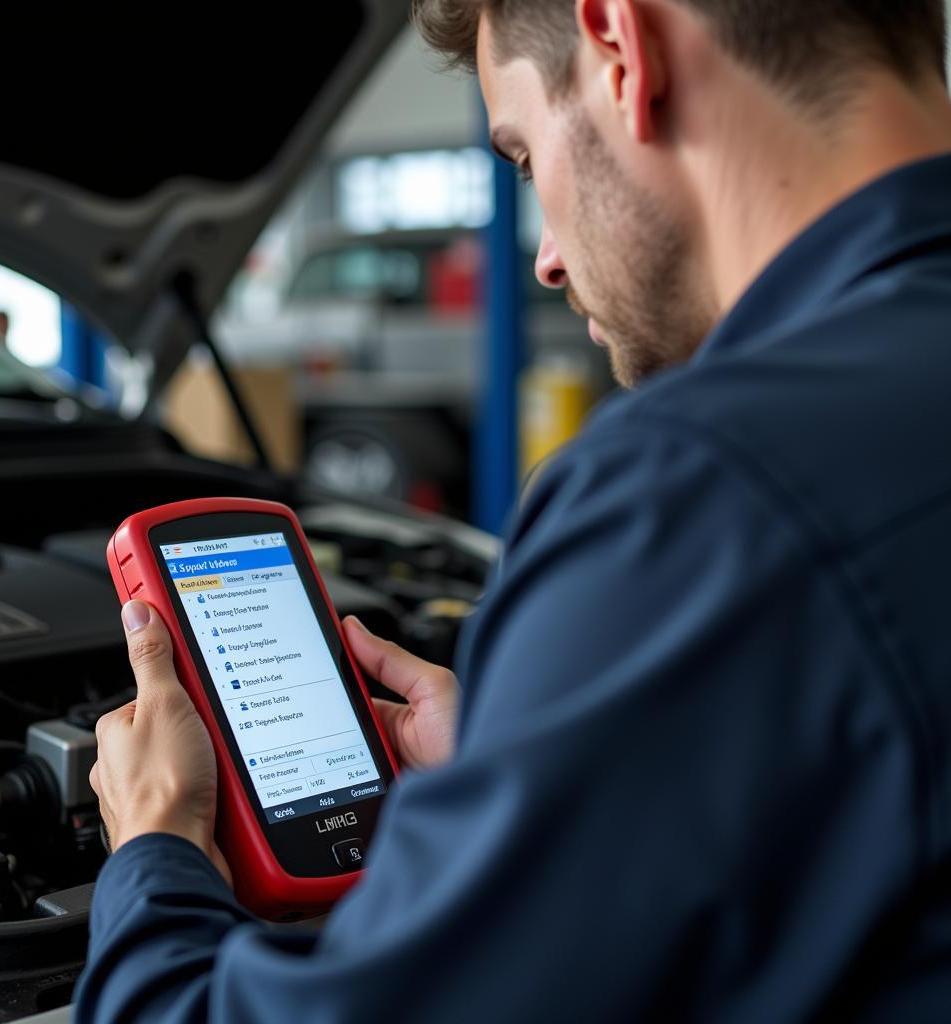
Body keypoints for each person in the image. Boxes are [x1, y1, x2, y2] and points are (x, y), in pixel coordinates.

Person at [76, 1, 951, 1019]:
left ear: (622, 46)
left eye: (526, 157)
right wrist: (535, 762)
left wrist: (156, 844)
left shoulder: (696, 493)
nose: (542, 256)